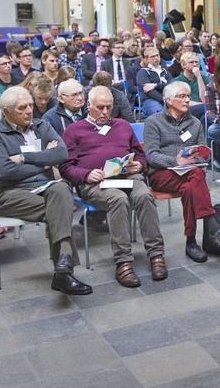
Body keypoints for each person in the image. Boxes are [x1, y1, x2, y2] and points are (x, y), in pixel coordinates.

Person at [0, 86, 91, 295]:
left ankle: (63, 268)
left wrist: (26, 158)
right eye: (22, 107)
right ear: (6, 111)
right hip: (10, 194)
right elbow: (3, 171)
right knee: (61, 208)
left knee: (60, 189)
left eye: (30, 105)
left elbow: (61, 154)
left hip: (46, 188)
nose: (29, 111)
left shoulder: (42, 126)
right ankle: (64, 271)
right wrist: (44, 161)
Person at [60, 86, 166, 288]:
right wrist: (86, 174)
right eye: (100, 108)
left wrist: (139, 164)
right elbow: (65, 167)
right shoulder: (74, 130)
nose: (105, 112)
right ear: (88, 105)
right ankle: (123, 261)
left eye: (109, 107)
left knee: (144, 195)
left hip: (127, 175)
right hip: (95, 181)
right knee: (118, 199)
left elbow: (141, 154)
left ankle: (156, 254)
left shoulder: (122, 125)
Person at [145, 82, 220, 262]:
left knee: (191, 185)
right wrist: (175, 161)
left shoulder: (194, 123)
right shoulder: (153, 122)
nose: (188, 100)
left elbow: (202, 152)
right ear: (169, 100)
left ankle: (191, 242)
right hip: (163, 173)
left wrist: (199, 158)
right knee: (196, 176)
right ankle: (213, 227)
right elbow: (151, 155)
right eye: (182, 96)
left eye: (188, 96)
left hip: (190, 173)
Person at [136, 45, 172, 118]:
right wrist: (163, 100)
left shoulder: (165, 71)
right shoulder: (143, 72)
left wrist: (156, 85)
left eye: (157, 55)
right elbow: (149, 91)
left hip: (168, 99)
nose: (156, 58)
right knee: (162, 115)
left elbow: (172, 86)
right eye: (152, 56)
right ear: (147, 59)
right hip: (150, 100)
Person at [172, 51, 208, 119]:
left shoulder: (204, 78)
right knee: (208, 108)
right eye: (191, 62)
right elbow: (182, 102)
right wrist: (203, 105)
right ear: (183, 65)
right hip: (185, 111)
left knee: (204, 118)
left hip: (203, 110)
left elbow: (205, 99)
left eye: (197, 62)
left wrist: (199, 77)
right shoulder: (176, 81)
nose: (195, 64)